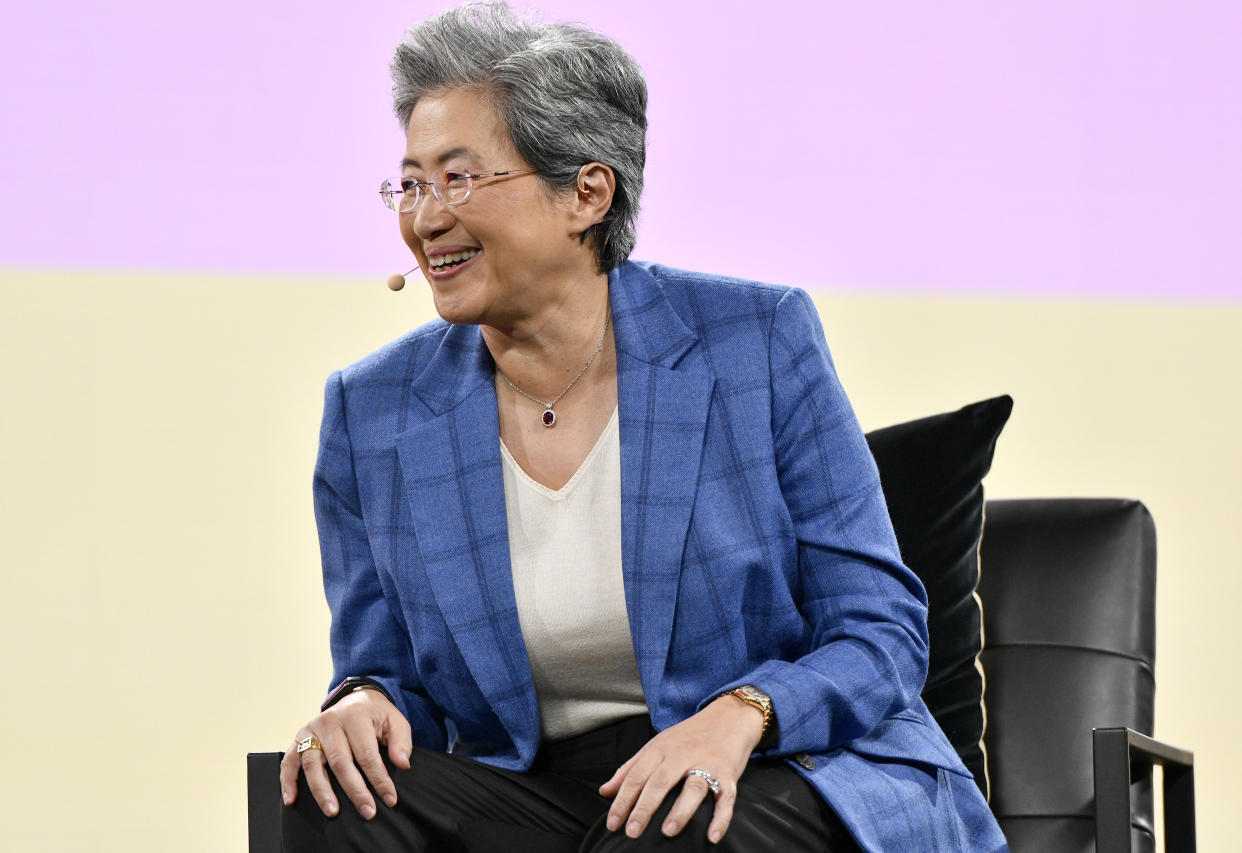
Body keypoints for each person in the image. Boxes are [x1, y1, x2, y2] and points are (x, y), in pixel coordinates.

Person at [279, 3, 1007, 851]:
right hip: (537, 790)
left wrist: (743, 714)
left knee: (670, 824)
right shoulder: (373, 411)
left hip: (777, 763)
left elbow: (880, 629)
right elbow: (387, 674)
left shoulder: (755, 341)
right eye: (411, 182)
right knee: (329, 796)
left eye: (460, 178)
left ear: (587, 192)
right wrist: (360, 703)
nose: (425, 217)